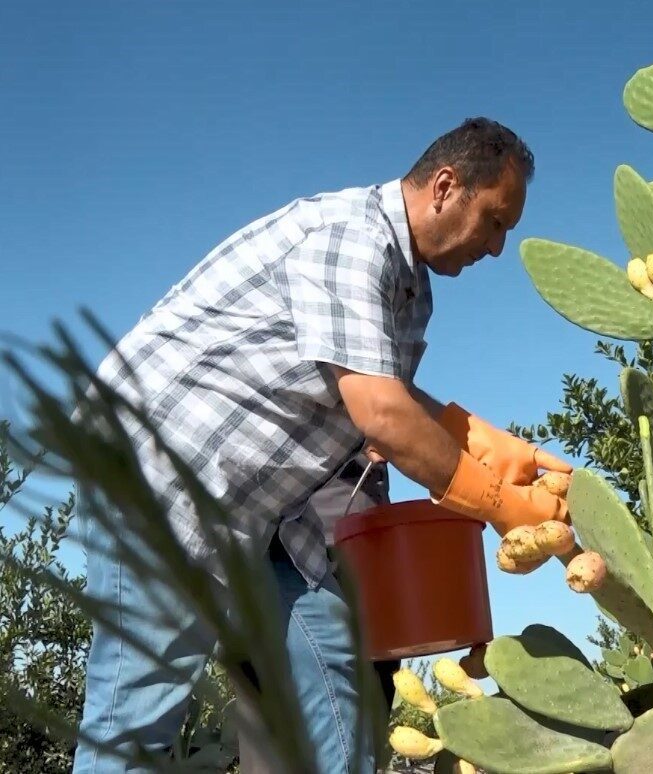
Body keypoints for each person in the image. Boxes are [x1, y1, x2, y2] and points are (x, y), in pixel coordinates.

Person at [71, 117, 572, 774]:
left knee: (330, 645)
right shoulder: (349, 239)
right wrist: (501, 505)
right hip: (161, 475)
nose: (499, 247)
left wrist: (476, 436)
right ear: (446, 187)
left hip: (259, 508)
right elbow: (382, 416)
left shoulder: (410, 290)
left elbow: (378, 394)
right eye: (495, 221)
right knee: (137, 714)